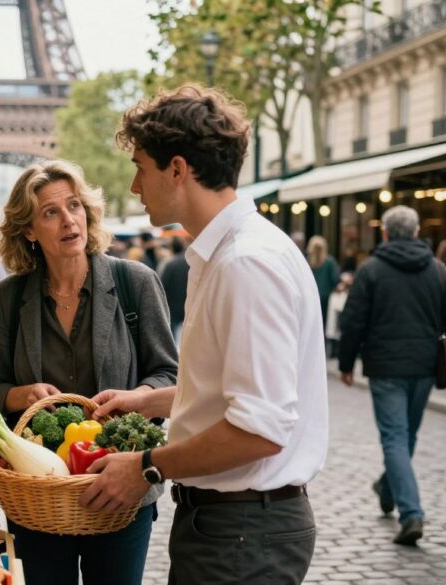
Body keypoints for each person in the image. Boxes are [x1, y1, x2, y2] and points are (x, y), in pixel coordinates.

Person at [81, 85, 328, 585]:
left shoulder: (245, 264)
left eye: (140, 168)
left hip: (241, 534)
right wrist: (145, 402)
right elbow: (229, 389)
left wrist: (146, 466)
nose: (133, 186)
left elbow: (259, 429)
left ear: (177, 169)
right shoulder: (228, 254)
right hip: (232, 528)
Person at [0, 160, 178, 585]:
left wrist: (135, 397)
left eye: (74, 206)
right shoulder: (9, 297)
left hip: (121, 490)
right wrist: (21, 395)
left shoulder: (134, 282)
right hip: (39, 493)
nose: (69, 220)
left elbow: (169, 378)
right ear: (29, 230)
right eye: (50, 212)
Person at [338, 205, 446, 545]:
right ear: (417, 232)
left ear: (385, 233)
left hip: (385, 366)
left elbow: (353, 320)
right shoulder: (436, 270)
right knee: (406, 436)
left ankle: (411, 513)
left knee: (395, 437)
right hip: (422, 367)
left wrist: (346, 364)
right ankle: (390, 489)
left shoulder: (371, 269)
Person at [159, 236, 190, 345]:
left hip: (173, 306)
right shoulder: (191, 262)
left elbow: (162, 286)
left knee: (173, 341)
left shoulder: (170, 264)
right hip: (189, 304)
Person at [307, 235, 340, 324]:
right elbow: (336, 279)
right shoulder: (329, 262)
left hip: (310, 297)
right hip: (325, 298)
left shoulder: (306, 262)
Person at [323, 271, 353, 359]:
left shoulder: (346, 293)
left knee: (338, 336)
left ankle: (336, 353)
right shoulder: (335, 293)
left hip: (341, 317)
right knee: (333, 335)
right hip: (335, 316)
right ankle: (332, 353)